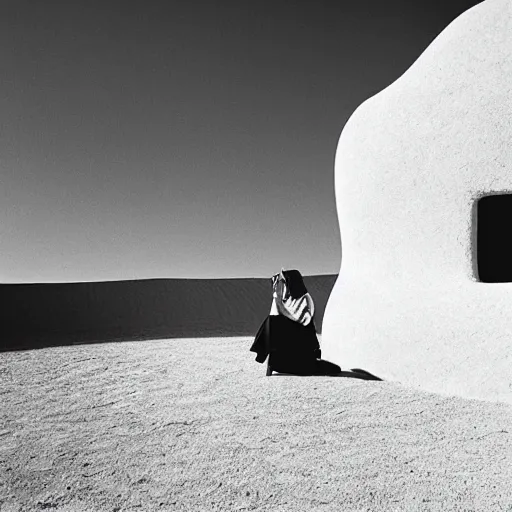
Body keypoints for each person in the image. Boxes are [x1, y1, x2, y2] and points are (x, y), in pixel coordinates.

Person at [250, 269, 342, 376]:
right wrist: (276, 297)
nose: (283, 285)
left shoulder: (305, 298)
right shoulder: (286, 299)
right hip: (290, 348)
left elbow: (302, 320)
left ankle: (263, 355)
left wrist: (279, 302)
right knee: (273, 321)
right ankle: (264, 355)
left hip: (304, 350)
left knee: (274, 321)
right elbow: (276, 315)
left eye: (284, 282)